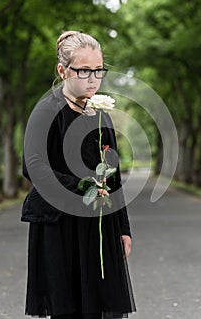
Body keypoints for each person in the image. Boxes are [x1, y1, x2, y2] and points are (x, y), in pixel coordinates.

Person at [21, 30, 136, 319]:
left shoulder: (101, 114)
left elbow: (113, 173)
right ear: (63, 70)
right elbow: (33, 166)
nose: (93, 79)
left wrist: (122, 228)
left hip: (98, 225)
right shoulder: (46, 111)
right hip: (58, 226)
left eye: (98, 71)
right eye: (84, 70)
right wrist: (83, 185)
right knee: (67, 308)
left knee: (101, 306)